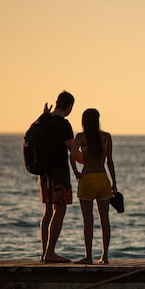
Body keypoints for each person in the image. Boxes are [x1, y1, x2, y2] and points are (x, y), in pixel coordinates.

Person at [70, 108, 117, 264]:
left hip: (88, 180)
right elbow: (109, 161)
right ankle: (104, 256)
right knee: (105, 219)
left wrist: (76, 171)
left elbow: (71, 155)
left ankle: (89, 256)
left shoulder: (81, 137)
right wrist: (114, 182)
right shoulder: (106, 137)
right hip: (103, 179)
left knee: (88, 220)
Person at [39, 91, 75, 263]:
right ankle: (50, 253)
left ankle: (44, 253)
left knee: (47, 212)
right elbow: (73, 150)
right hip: (59, 173)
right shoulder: (63, 125)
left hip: (43, 174)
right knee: (60, 209)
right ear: (69, 107)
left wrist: (44, 114)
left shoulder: (43, 120)